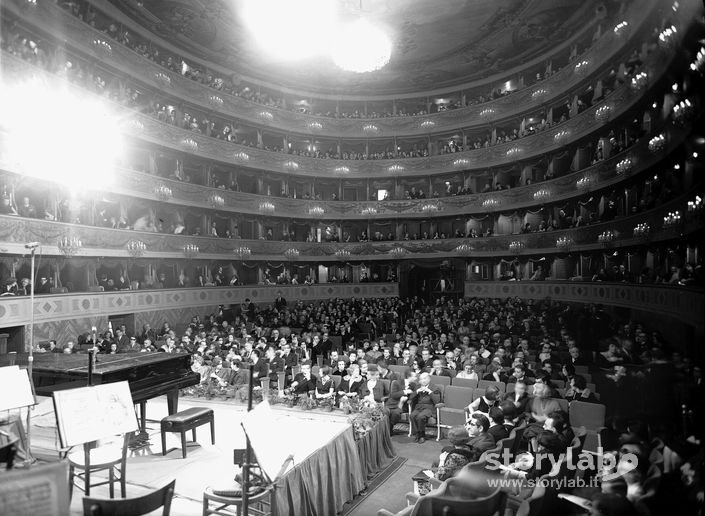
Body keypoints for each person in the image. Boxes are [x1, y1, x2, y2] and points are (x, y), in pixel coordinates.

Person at [409, 372, 442, 444]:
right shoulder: (417, 387)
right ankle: (417, 434)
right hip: (418, 407)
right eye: (421, 379)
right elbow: (411, 397)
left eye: (425, 378)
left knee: (420, 417)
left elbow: (437, 401)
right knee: (412, 415)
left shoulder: (435, 388)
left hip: (429, 408)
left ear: (429, 379)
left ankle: (422, 435)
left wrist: (430, 392)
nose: (423, 381)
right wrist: (417, 392)